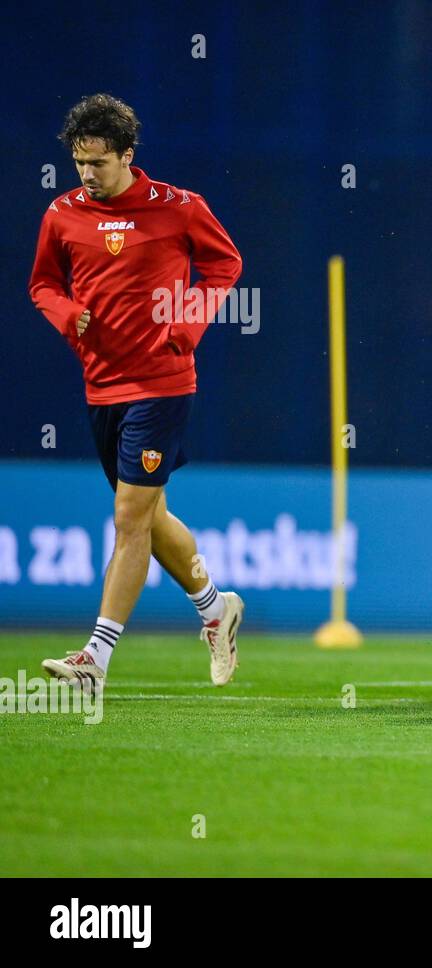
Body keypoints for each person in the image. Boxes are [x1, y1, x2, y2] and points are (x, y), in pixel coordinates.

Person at [29, 93, 244, 693]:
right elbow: (42, 283)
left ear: (128, 155)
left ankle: (94, 661)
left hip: (163, 382)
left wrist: (189, 322)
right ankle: (215, 608)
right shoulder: (62, 213)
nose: (88, 175)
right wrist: (66, 311)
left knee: (128, 519)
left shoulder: (178, 207)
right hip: (101, 385)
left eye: (99, 162)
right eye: (80, 163)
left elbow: (226, 266)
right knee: (150, 515)